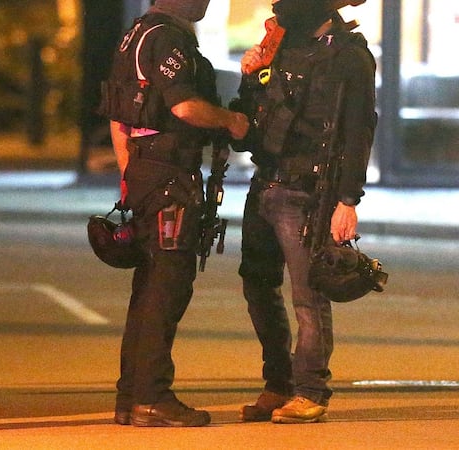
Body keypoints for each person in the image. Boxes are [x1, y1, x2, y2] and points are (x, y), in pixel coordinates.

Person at [98, 0, 248, 427]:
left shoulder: (135, 34)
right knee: (165, 289)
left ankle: (131, 396)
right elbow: (184, 107)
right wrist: (231, 121)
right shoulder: (169, 38)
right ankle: (152, 397)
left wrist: (131, 176)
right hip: (169, 178)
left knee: (147, 289)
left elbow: (118, 115)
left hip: (146, 172)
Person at [234, 0, 376, 424]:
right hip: (266, 181)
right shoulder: (278, 43)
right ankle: (278, 383)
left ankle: (311, 391)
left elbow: (359, 129)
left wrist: (348, 200)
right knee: (257, 285)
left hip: (309, 190)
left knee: (308, 297)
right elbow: (251, 117)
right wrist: (249, 77)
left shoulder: (350, 55)